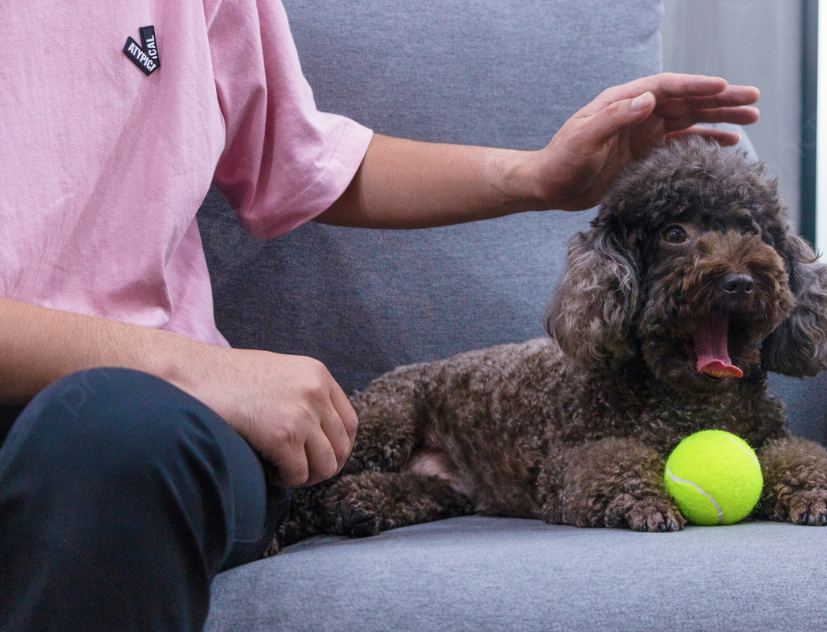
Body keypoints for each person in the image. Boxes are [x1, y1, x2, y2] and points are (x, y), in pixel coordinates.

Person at [0, 0, 759, 630]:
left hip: (141, 436)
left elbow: (298, 159)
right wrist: (191, 365)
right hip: (164, 385)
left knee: (115, 436)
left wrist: (535, 176)